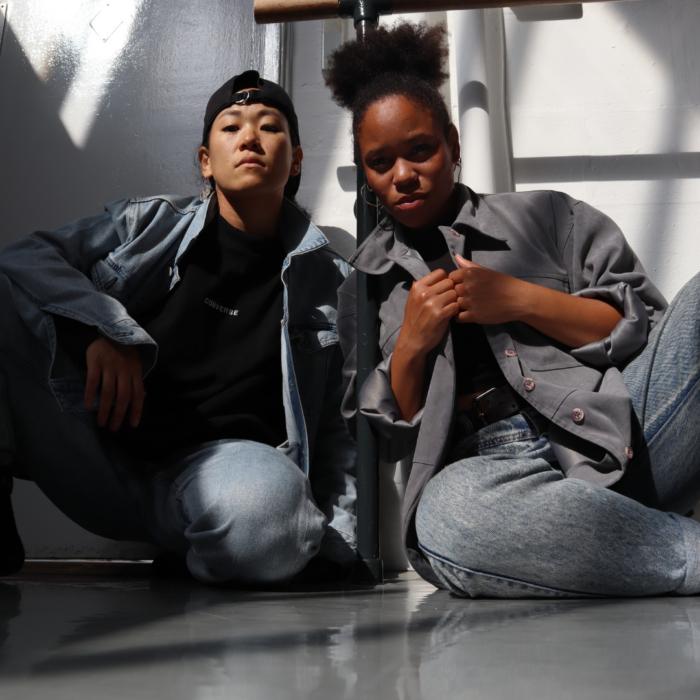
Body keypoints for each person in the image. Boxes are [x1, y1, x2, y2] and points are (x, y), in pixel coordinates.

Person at [325, 21, 700, 598]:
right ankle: (674, 549)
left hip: (620, 430)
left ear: (452, 141)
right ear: (367, 174)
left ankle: (615, 541)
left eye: (420, 150)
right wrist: (411, 346)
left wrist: (519, 299)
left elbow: (644, 327)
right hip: (487, 476)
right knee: (447, 521)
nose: (403, 175)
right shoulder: (365, 287)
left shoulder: (547, 216)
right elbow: (386, 441)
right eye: (380, 162)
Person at [0, 70, 357, 584]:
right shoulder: (148, 225)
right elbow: (26, 258)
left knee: (275, 525)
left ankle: (198, 551)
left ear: (296, 159)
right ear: (206, 161)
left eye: (270, 127)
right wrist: (102, 329)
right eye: (231, 127)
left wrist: (340, 546)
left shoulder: (328, 284)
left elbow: (335, 433)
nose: (250, 138)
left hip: (221, 476)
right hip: (95, 454)